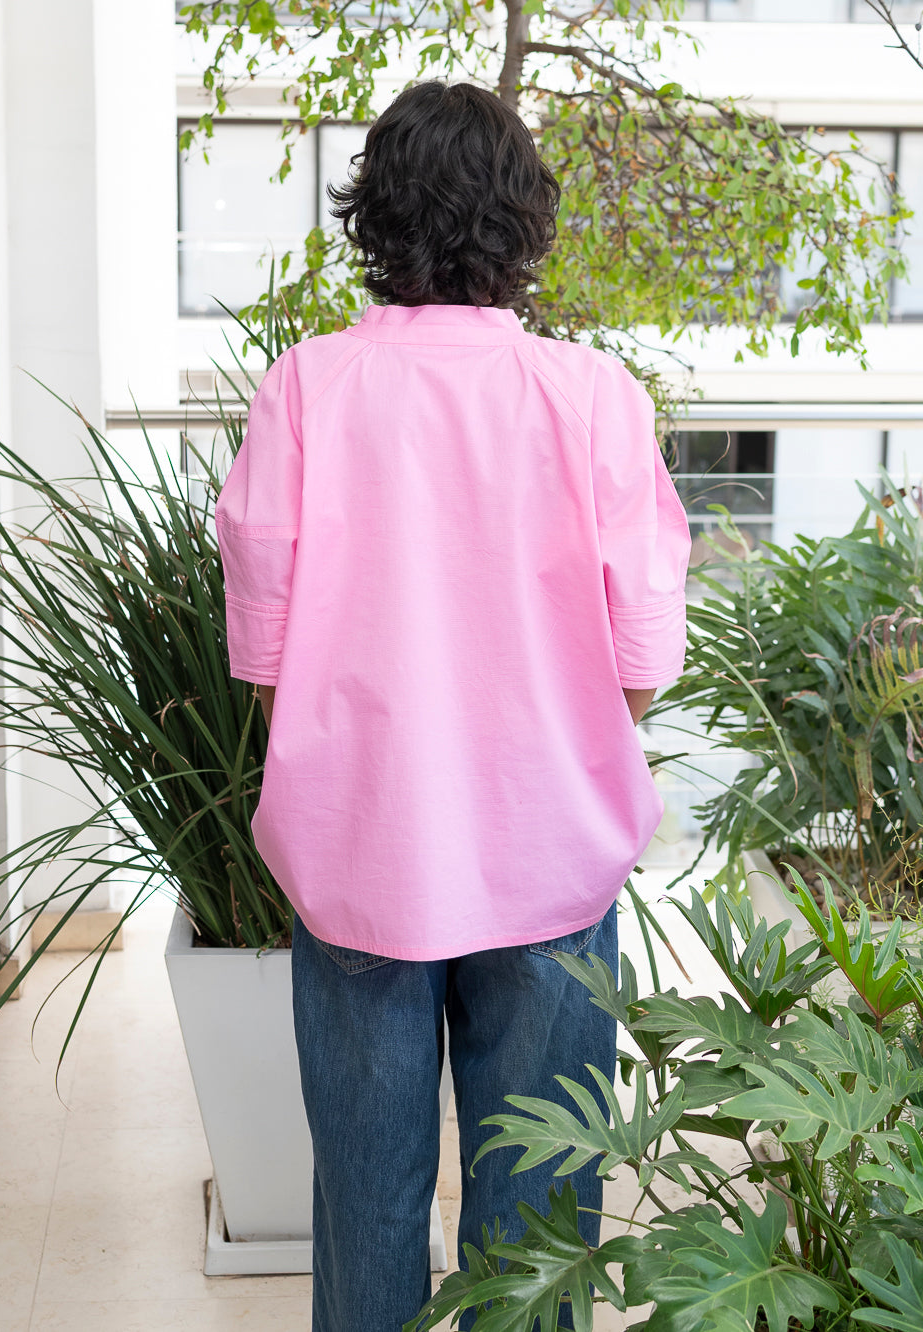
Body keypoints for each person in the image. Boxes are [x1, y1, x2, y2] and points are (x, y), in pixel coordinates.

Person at [214, 80, 691, 1332]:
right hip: (552, 859)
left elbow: (263, 660)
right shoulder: (593, 393)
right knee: (534, 1224)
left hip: (360, 857)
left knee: (365, 1202)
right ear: (524, 221)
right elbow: (643, 657)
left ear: (373, 216)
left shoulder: (306, 388)